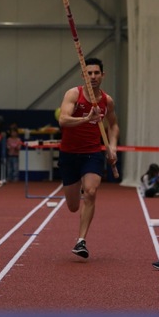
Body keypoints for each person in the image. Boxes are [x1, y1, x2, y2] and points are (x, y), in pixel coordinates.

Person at [57, 57, 119, 259]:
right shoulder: (74, 94)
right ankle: (79, 229)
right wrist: (87, 118)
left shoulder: (107, 101)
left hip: (92, 153)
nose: (93, 76)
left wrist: (112, 147)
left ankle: (81, 240)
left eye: (96, 73)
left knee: (91, 192)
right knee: (73, 206)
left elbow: (114, 125)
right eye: (89, 73)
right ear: (84, 75)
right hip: (69, 154)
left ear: (103, 75)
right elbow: (63, 120)